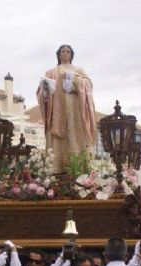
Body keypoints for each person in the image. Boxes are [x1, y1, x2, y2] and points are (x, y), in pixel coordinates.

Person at [36, 44, 96, 174]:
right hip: (56, 109)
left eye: (67, 51)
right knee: (56, 139)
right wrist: (44, 89)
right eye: (62, 51)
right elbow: (42, 93)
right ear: (58, 54)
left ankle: (77, 167)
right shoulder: (50, 72)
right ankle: (56, 169)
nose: (65, 53)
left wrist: (74, 79)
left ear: (71, 55)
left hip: (74, 108)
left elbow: (89, 85)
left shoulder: (78, 70)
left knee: (74, 134)